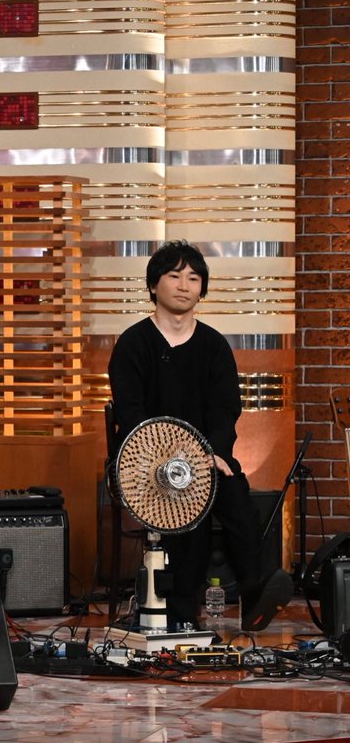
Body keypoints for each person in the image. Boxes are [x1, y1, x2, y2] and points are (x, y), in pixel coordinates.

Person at [108, 240, 292, 632]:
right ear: (153, 285)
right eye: (174, 276)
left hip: (204, 455)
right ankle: (180, 608)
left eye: (193, 278)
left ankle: (254, 592)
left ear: (202, 289)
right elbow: (131, 412)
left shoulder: (213, 345)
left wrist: (212, 452)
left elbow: (226, 410)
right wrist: (172, 459)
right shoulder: (133, 343)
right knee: (182, 498)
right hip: (145, 461)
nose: (184, 285)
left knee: (235, 493)